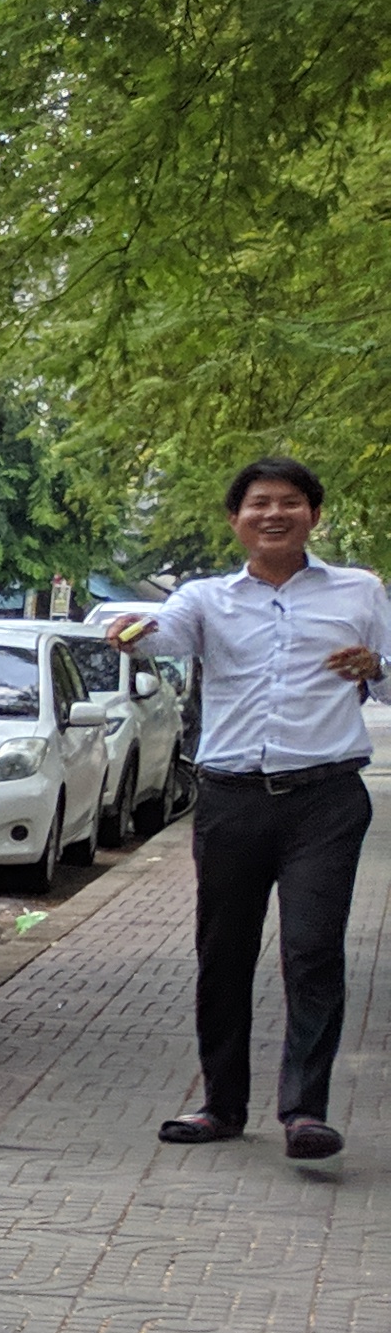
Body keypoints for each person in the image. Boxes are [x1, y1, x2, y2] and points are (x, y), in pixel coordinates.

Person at [121, 457, 385, 1158]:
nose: (275, 514)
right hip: (231, 800)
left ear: (313, 516)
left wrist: (376, 667)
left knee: (312, 948)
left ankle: (304, 1110)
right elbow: (163, 632)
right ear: (236, 520)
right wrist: (132, 628)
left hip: (325, 798)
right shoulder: (208, 599)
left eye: (290, 503)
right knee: (224, 951)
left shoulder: (359, 590)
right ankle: (221, 1105)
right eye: (260, 503)